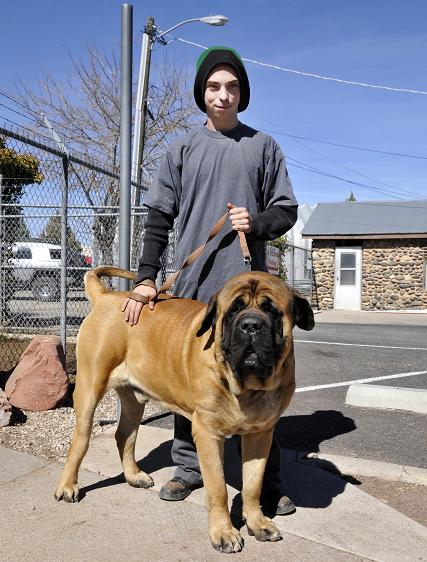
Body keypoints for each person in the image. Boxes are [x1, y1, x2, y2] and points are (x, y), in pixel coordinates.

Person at [122, 46, 298, 515]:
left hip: (249, 295)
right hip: (194, 293)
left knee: (261, 384)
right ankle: (188, 468)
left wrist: (256, 224)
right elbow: (158, 217)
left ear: (243, 94)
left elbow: (287, 210)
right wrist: (145, 279)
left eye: (233, 87)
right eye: (214, 87)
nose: (223, 96)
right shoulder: (180, 148)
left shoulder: (263, 147)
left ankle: (265, 482)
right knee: (190, 386)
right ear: (202, 93)